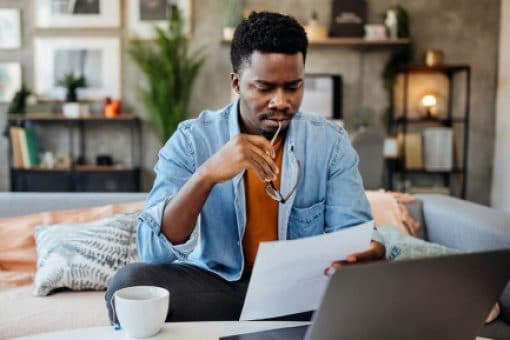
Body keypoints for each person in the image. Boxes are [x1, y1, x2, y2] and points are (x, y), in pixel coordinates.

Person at [106, 11, 385, 323]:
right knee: (129, 285)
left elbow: (352, 232)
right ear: (237, 84)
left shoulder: (329, 142)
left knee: (386, 296)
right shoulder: (192, 139)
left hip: (298, 292)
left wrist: (367, 251)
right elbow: (152, 249)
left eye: (293, 86)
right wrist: (207, 174)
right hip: (220, 289)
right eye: (264, 87)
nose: (281, 101)